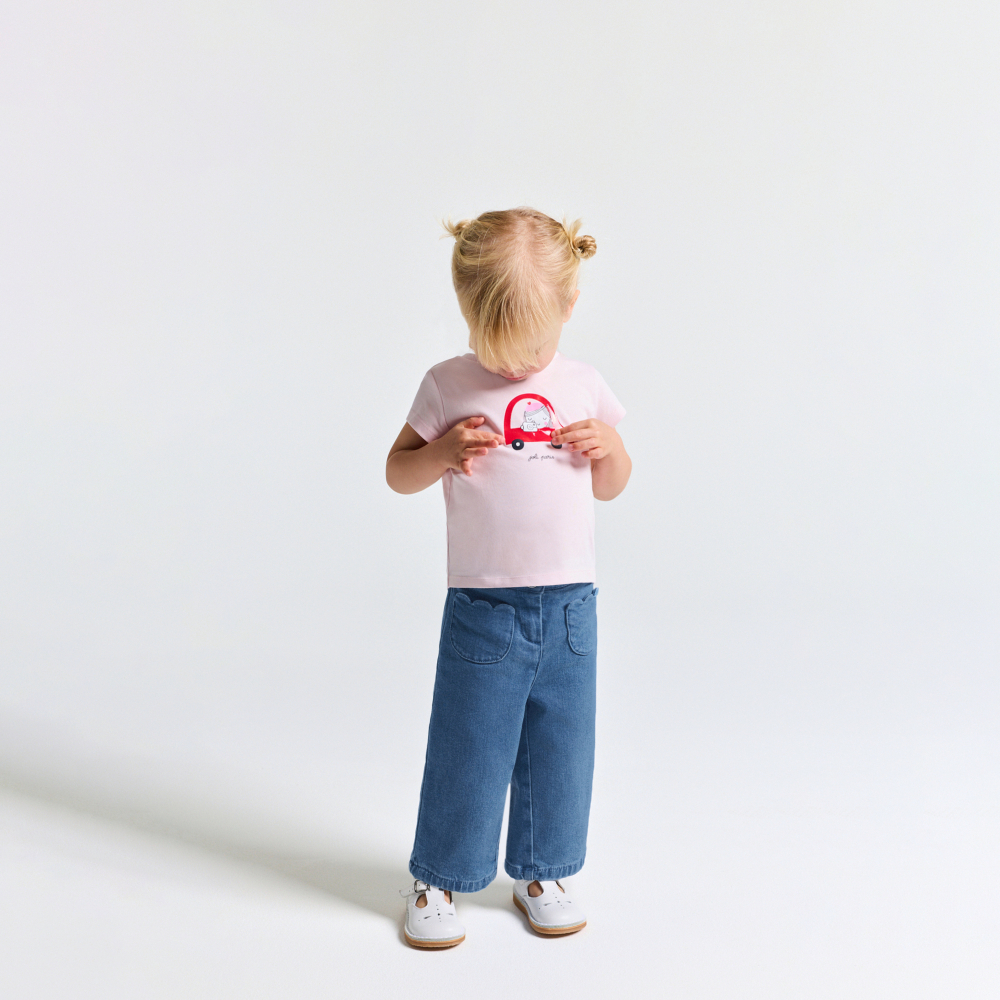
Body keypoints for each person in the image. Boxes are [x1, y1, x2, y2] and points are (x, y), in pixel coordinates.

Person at [386, 207, 631, 949]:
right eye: (498, 352)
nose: (517, 369)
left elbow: (612, 486)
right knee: (470, 743)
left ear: (569, 307)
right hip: (484, 605)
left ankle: (542, 872)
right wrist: (441, 453)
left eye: (532, 351)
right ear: (466, 313)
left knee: (562, 746)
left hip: (571, 607)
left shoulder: (585, 384)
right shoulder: (446, 385)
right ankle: (439, 876)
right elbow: (398, 472)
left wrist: (610, 448)